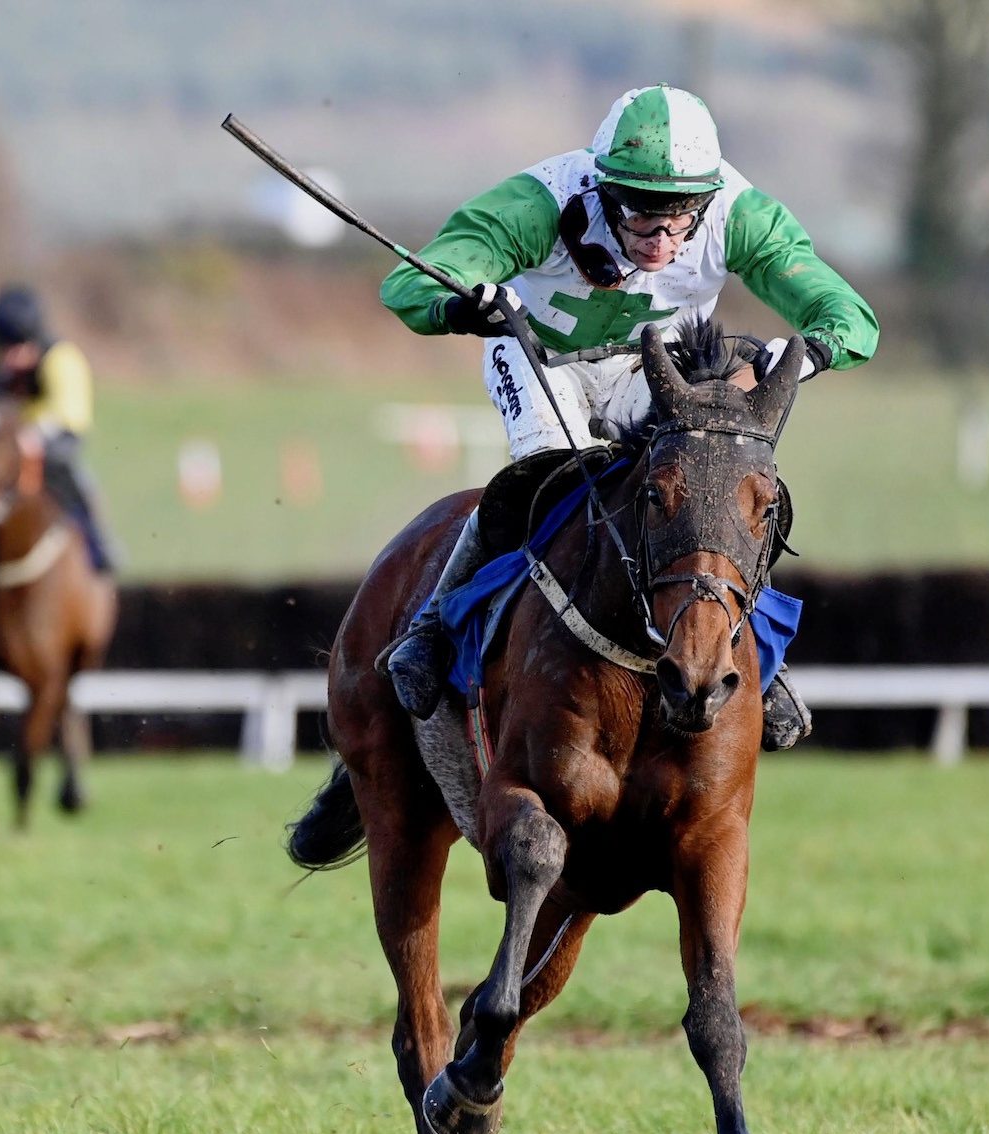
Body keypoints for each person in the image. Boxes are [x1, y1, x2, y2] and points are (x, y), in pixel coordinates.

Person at [377, 84, 879, 747]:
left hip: (651, 366)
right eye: (643, 215)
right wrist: (461, 304)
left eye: (681, 218)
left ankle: (758, 655)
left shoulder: (741, 212)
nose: (662, 238)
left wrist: (807, 352)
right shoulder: (538, 203)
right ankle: (433, 630)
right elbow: (410, 282)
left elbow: (850, 318)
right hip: (539, 355)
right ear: (603, 189)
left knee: (713, 480)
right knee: (548, 473)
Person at [0, 286, 114, 571]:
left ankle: (99, 551)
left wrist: (33, 434)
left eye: (21, 348)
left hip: (46, 451)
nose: (13, 357)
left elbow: (70, 416)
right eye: (7, 348)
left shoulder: (62, 359)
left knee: (79, 487)